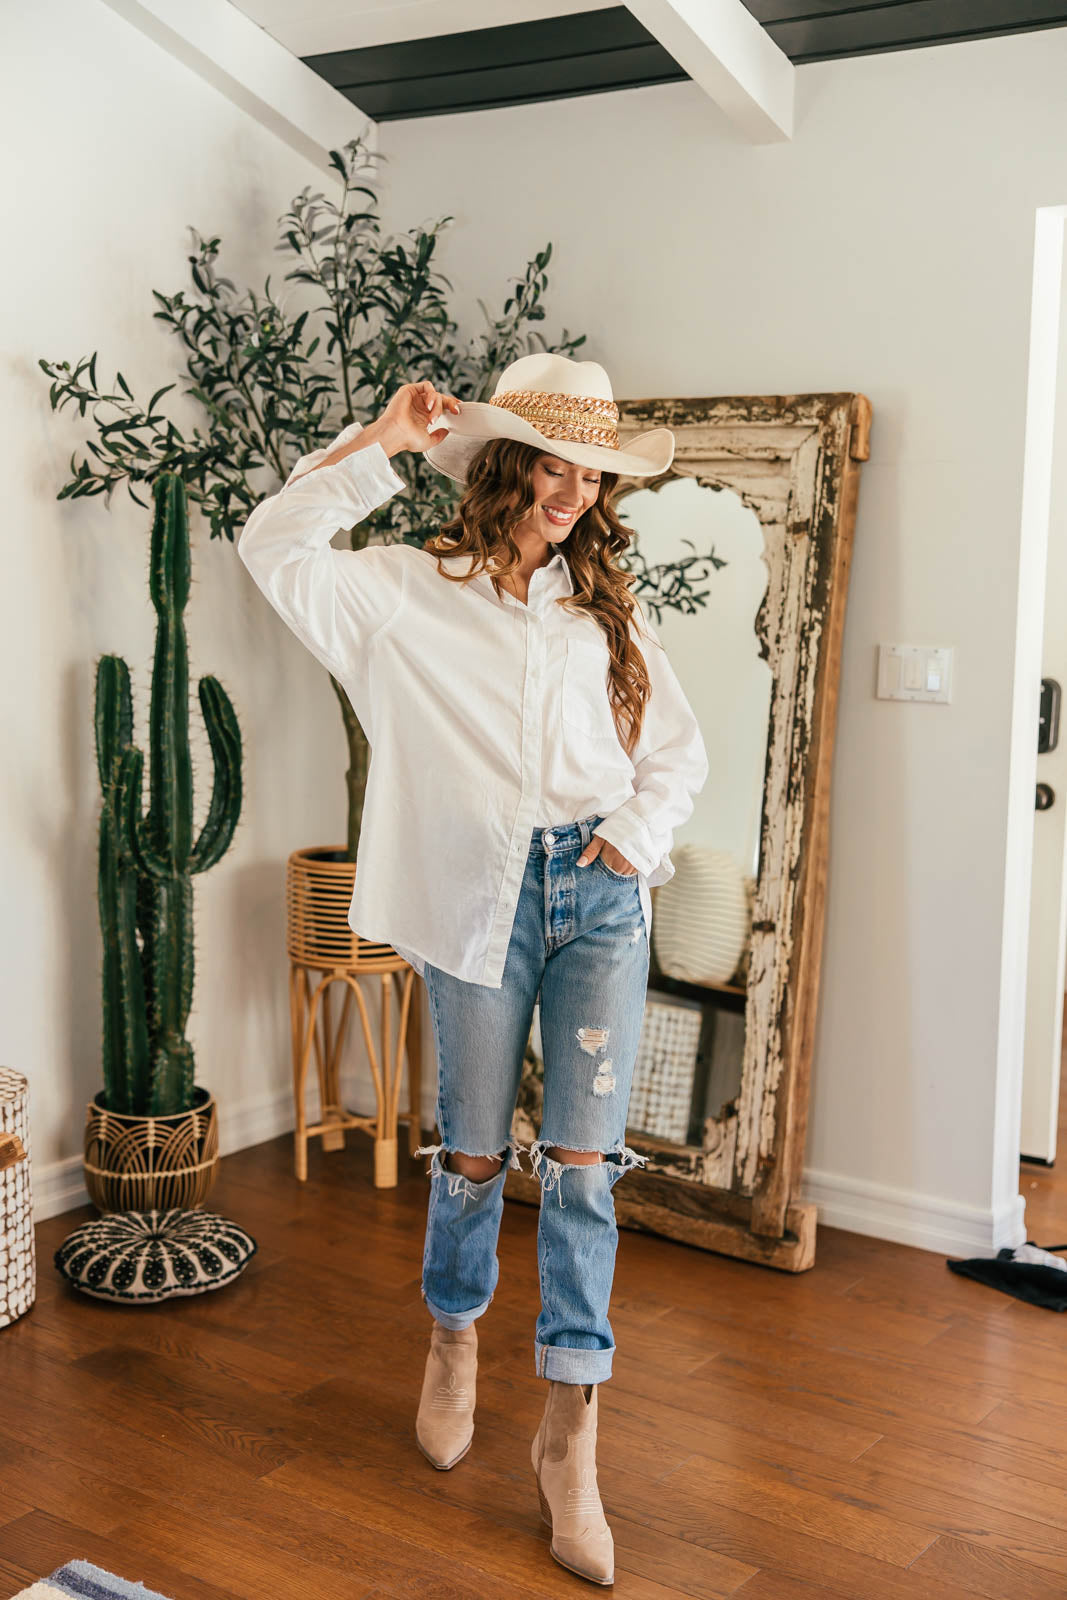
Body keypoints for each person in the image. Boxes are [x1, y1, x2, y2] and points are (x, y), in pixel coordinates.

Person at [237, 353, 709, 1586]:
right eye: (552, 460)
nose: (572, 489)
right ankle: (453, 1343)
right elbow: (272, 546)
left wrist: (629, 841)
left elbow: (676, 757)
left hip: (598, 900)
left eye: (590, 471)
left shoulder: (606, 619)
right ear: (504, 464)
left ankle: (569, 1440)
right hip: (475, 905)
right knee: (473, 1156)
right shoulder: (402, 594)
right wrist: (380, 439)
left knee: (585, 1173)